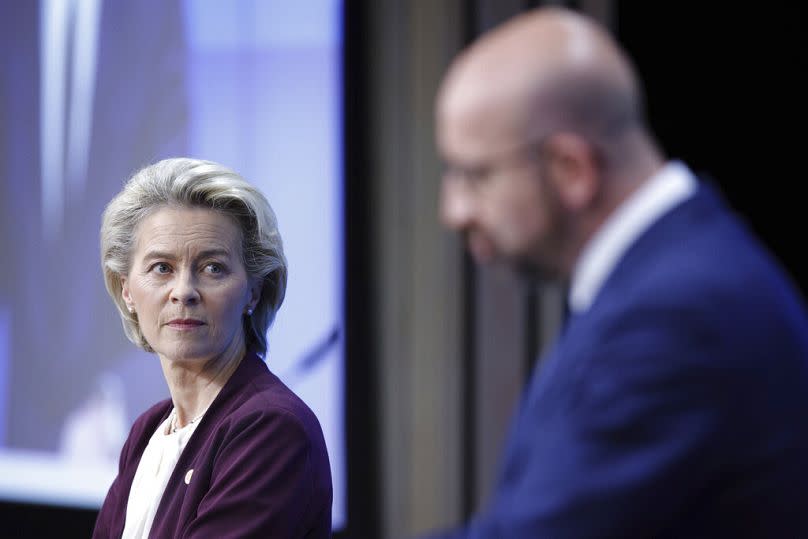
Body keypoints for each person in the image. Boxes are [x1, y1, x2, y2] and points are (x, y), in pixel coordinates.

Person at [428, 6, 808, 538]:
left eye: (475, 175)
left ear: (572, 169)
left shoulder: (677, 317)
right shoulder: (679, 275)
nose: (454, 211)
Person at [93, 158, 332, 538]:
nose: (184, 291)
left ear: (254, 290)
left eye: (213, 268)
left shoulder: (272, 428)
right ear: (126, 288)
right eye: (161, 268)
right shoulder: (147, 431)